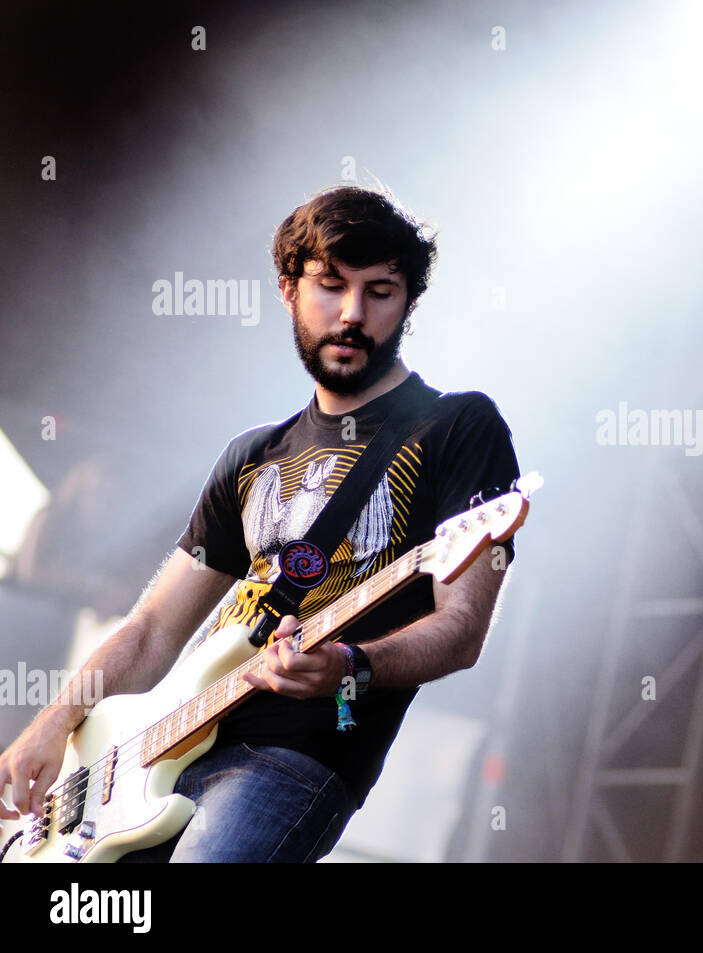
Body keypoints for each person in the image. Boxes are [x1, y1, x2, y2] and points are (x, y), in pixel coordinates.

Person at [0, 185, 521, 861]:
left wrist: (350, 664)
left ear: (410, 303)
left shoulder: (457, 426)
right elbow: (153, 628)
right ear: (288, 289)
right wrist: (56, 718)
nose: (353, 314)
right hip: (154, 751)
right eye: (331, 286)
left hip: (291, 757)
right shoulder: (251, 453)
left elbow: (461, 629)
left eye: (381, 291)